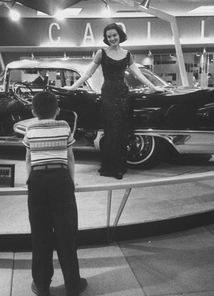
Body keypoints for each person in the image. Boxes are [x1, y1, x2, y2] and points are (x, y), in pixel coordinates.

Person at [64, 22, 165, 180]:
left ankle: (119, 167)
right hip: (108, 94)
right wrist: (72, 87)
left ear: (120, 35)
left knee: (121, 131)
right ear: (106, 38)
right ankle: (109, 167)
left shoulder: (128, 54)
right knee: (111, 130)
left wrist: (154, 88)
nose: (112, 38)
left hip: (123, 94)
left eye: (114, 35)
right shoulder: (101, 53)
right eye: (109, 36)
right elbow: (88, 73)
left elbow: (139, 75)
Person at [23, 91, 87, 296]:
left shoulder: (29, 128)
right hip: (61, 179)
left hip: (38, 180)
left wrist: (30, 182)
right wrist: (71, 181)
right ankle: (72, 286)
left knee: (40, 235)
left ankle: (42, 287)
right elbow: (69, 157)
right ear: (57, 111)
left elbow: (28, 159)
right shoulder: (64, 126)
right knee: (66, 233)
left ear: (33, 111)